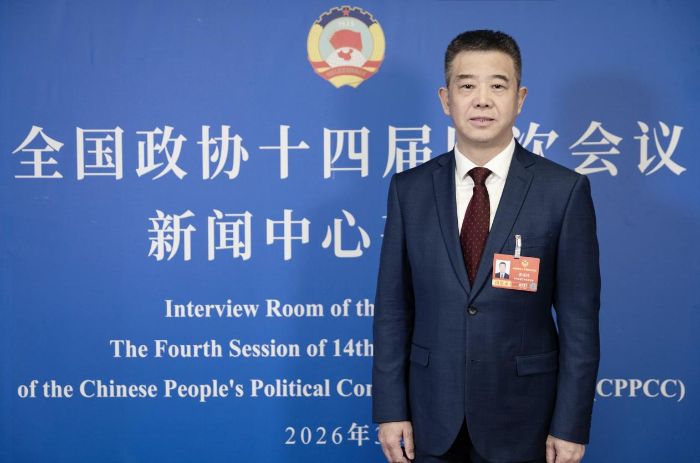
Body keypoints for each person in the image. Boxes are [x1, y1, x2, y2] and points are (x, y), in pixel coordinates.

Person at [372, 30, 600, 463]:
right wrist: (390, 410)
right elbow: (392, 310)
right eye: (467, 86)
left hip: (525, 420)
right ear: (446, 99)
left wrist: (570, 424)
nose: (482, 100)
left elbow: (580, 322)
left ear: (520, 98)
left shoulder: (563, 191)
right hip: (429, 417)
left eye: (497, 85)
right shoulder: (409, 190)